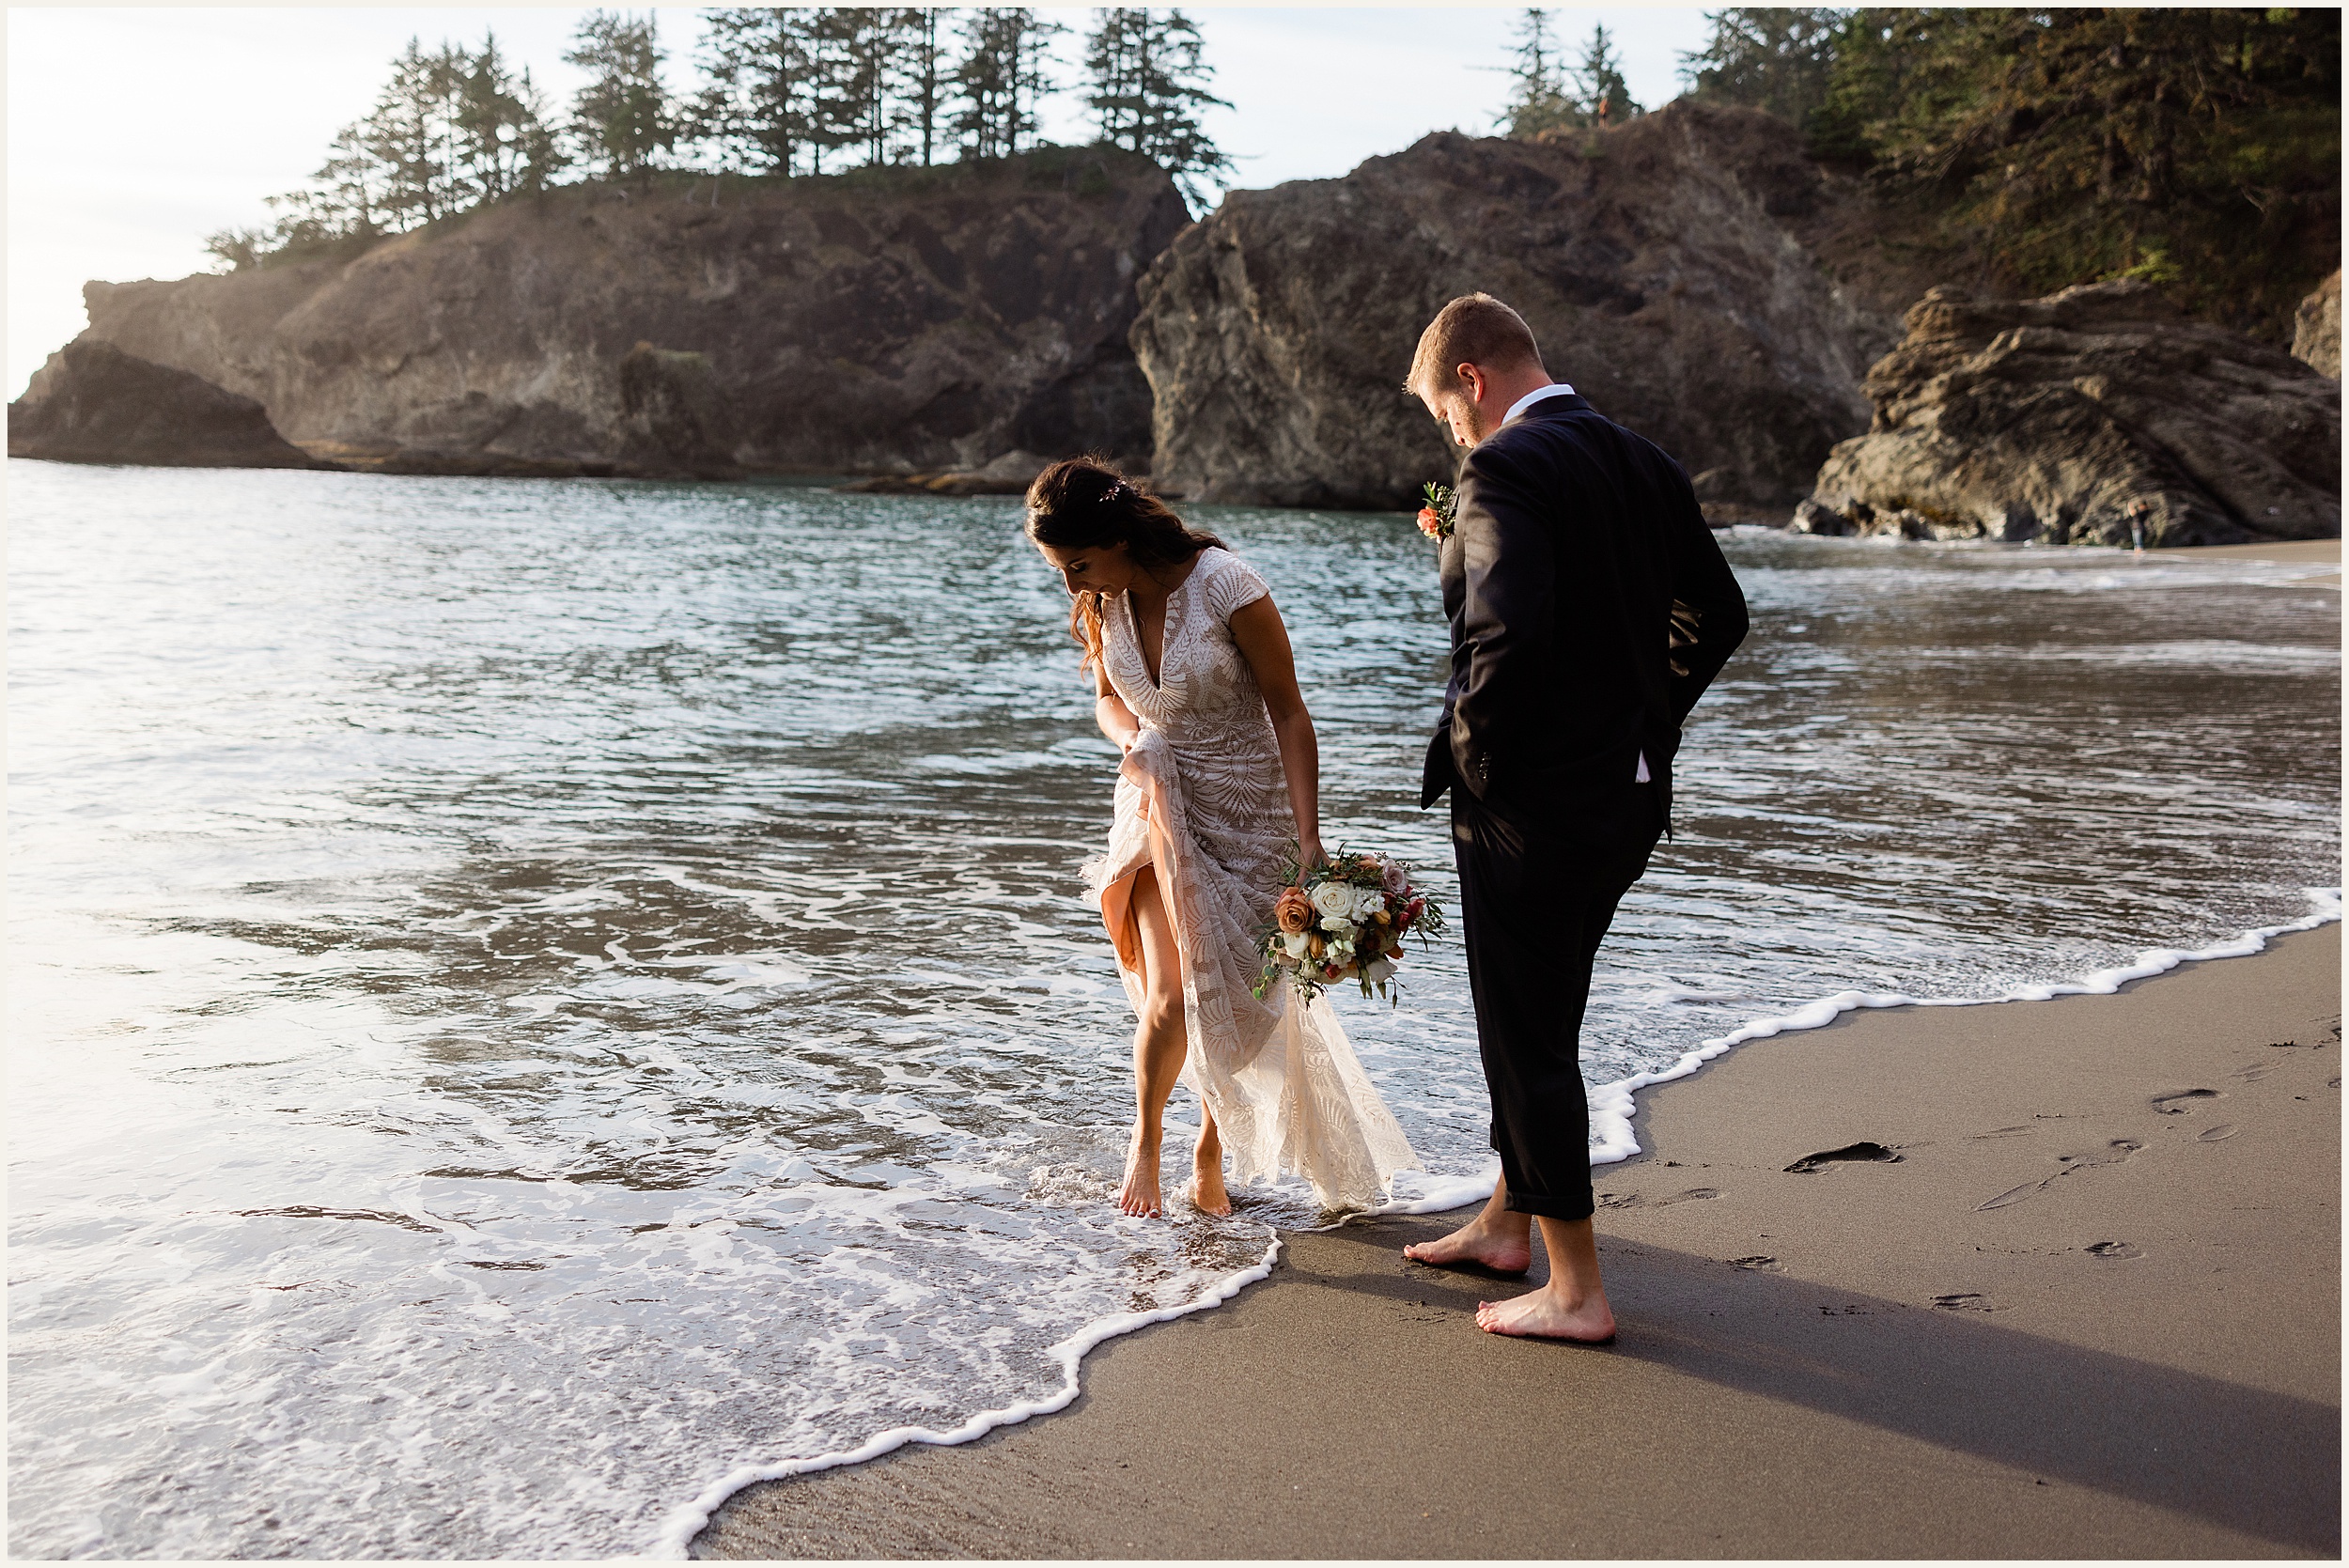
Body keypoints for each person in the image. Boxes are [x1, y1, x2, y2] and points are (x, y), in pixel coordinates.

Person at [1399, 293, 1749, 1340]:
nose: (1453, 439)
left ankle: (1575, 1290)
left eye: (1445, 417)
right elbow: (1718, 614)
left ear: (1472, 378)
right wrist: (1642, 721)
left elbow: (1505, 635)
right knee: (1543, 1011)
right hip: (1626, 792)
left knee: (1524, 1035)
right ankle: (1510, 1222)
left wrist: (1475, 756)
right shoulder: (1645, 461)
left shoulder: (1504, 465)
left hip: (1532, 800)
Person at [1024, 458, 1418, 1219]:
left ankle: (1209, 1143)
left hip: (1249, 814)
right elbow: (1108, 700)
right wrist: (1134, 739)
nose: (1072, 586)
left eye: (1077, 564)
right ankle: (1145, 1143)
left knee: (1229, 1002)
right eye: (1059, 571)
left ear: (1114, 534)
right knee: (1171, 995)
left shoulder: (1226, 584)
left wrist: (1309, 840)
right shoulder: (1102, 600)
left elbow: (1291, 712)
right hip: (1157, 804)